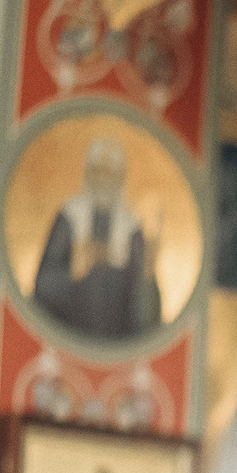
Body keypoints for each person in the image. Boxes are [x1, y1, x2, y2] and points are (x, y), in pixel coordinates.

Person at [32, 136, 161, 340]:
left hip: (117, 345)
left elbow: (146, 317)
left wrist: (148, 274)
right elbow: (42, 289)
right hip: (66, 338)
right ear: (88, 172)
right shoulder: (68, 218)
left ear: (120, 177)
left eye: (110, 172)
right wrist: (74, 271)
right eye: (98, 170)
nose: (103, 178)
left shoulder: (132, 229)